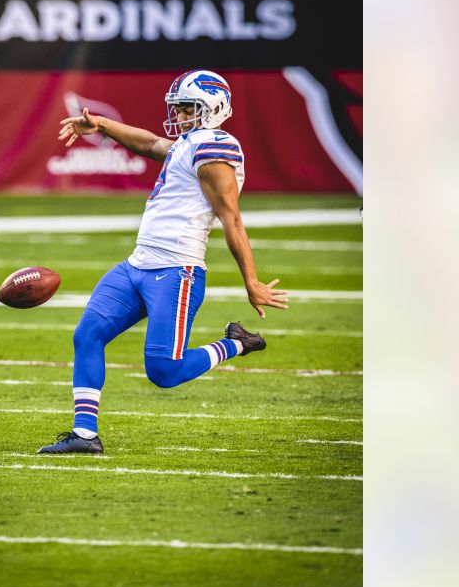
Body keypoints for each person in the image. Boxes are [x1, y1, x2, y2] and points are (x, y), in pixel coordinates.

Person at [37, 70, 289, 454]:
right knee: (87, 335)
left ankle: (235, 344)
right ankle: (85, 435)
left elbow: (231, 218)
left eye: (188, 108)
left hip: (176, 270)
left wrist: (250, 280)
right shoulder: (190, 142)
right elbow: (153, 143)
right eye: (179, 108)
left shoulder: (216, 148)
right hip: (137, 264)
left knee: (164, 372)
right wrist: (101, 123)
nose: (181, 115)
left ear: (213, 108)